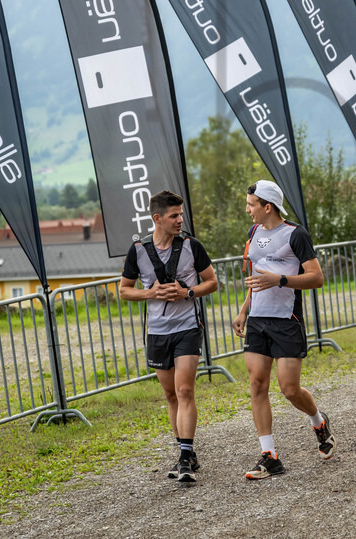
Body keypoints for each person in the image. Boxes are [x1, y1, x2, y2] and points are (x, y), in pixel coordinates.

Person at [233, 180, 334, 479]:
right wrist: (243, 310)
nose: (248, 209)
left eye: (251, 204)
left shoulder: (296, 234)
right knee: (256, 384)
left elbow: (316, 278)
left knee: (289, 389)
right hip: (258, 320)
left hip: (286, 320)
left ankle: (319, 422)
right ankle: (269, 455)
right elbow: (256, 275)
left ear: (267, 206)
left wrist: (280, 280)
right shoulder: (253, 232)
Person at [119, 190, 218, 483]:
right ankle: (185, 450)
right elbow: (124, 289)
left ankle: (185, 457)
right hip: (158, 332)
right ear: (157, 218)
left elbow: (212, 282)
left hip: (188, 327)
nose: (180, 219)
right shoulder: (137, 250)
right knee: (171, 394)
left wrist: (187, 292)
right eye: (174, 215)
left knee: (185, 390)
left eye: (181, 214)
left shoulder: (191, 245)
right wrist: (151, 293)